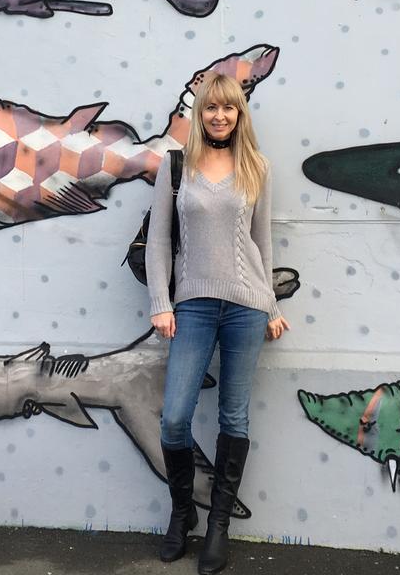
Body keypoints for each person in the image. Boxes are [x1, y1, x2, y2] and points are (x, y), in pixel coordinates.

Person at [146, 72, 289, 574]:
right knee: (175, 418)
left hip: (247, 308)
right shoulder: (175, 166)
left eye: (230, 108)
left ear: (240, 114)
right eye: (212, 108)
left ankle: (219, 526)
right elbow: (160, 241)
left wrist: (269, 305)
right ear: (200, 112)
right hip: (193, 308)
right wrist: (161, 303)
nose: (221, 116)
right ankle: (182, 512)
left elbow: (262, 244)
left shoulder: (257, 167)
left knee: (234, 416)